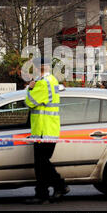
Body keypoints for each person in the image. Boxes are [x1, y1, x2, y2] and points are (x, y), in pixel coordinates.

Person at [24, 57, 69, 204]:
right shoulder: (53, 80)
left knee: (42, 164)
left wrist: (30, 89)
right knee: (42, 164)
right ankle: (46, 192)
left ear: (38, 68)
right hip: (49, 129)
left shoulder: (42, 83)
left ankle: (58, 187)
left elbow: (30, 102)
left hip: (44, 131)